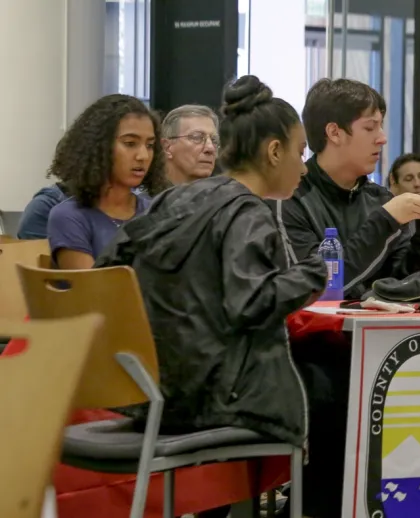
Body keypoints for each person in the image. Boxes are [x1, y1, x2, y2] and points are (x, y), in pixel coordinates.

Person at [95, 75, 329, 514]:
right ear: (274, 151)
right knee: (330, 390)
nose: (303, 167)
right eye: (299, 153)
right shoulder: (245, 211)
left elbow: (107, 267)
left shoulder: (170, 203)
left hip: (148, 393)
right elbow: (250, 303)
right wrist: (312, 274)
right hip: (214, 402)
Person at [274, 78, 420, 300]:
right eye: (370, 127)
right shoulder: (289, 198)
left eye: (381, 126)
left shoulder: (379, 198)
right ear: (335, 133)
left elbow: (404, 281)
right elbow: (318, 288)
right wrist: (384, 221)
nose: (382, 138)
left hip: (382, 333)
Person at [46, 94, 168, 269]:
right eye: (130, 143)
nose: (143, 156)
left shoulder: (156, 212)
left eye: (150, 145)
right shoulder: (69, 216)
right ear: (98, 147)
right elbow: (92, 291)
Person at [161, 104, 220, 185]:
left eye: (214, 140)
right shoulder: (146, 197)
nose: (210, 148)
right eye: (197, 137)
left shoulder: (225, 195)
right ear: (167, 147)